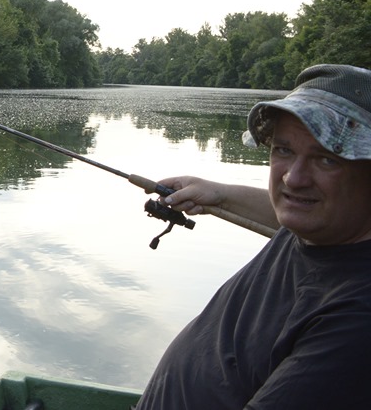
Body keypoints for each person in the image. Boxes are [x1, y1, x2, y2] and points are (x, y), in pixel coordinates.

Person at [135, 63, 371, 409]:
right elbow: (283, 214)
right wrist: (220, 194)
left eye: (326, 159)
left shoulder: (356, 321)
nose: (293, 179)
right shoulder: (320, 226)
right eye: (283, 150)